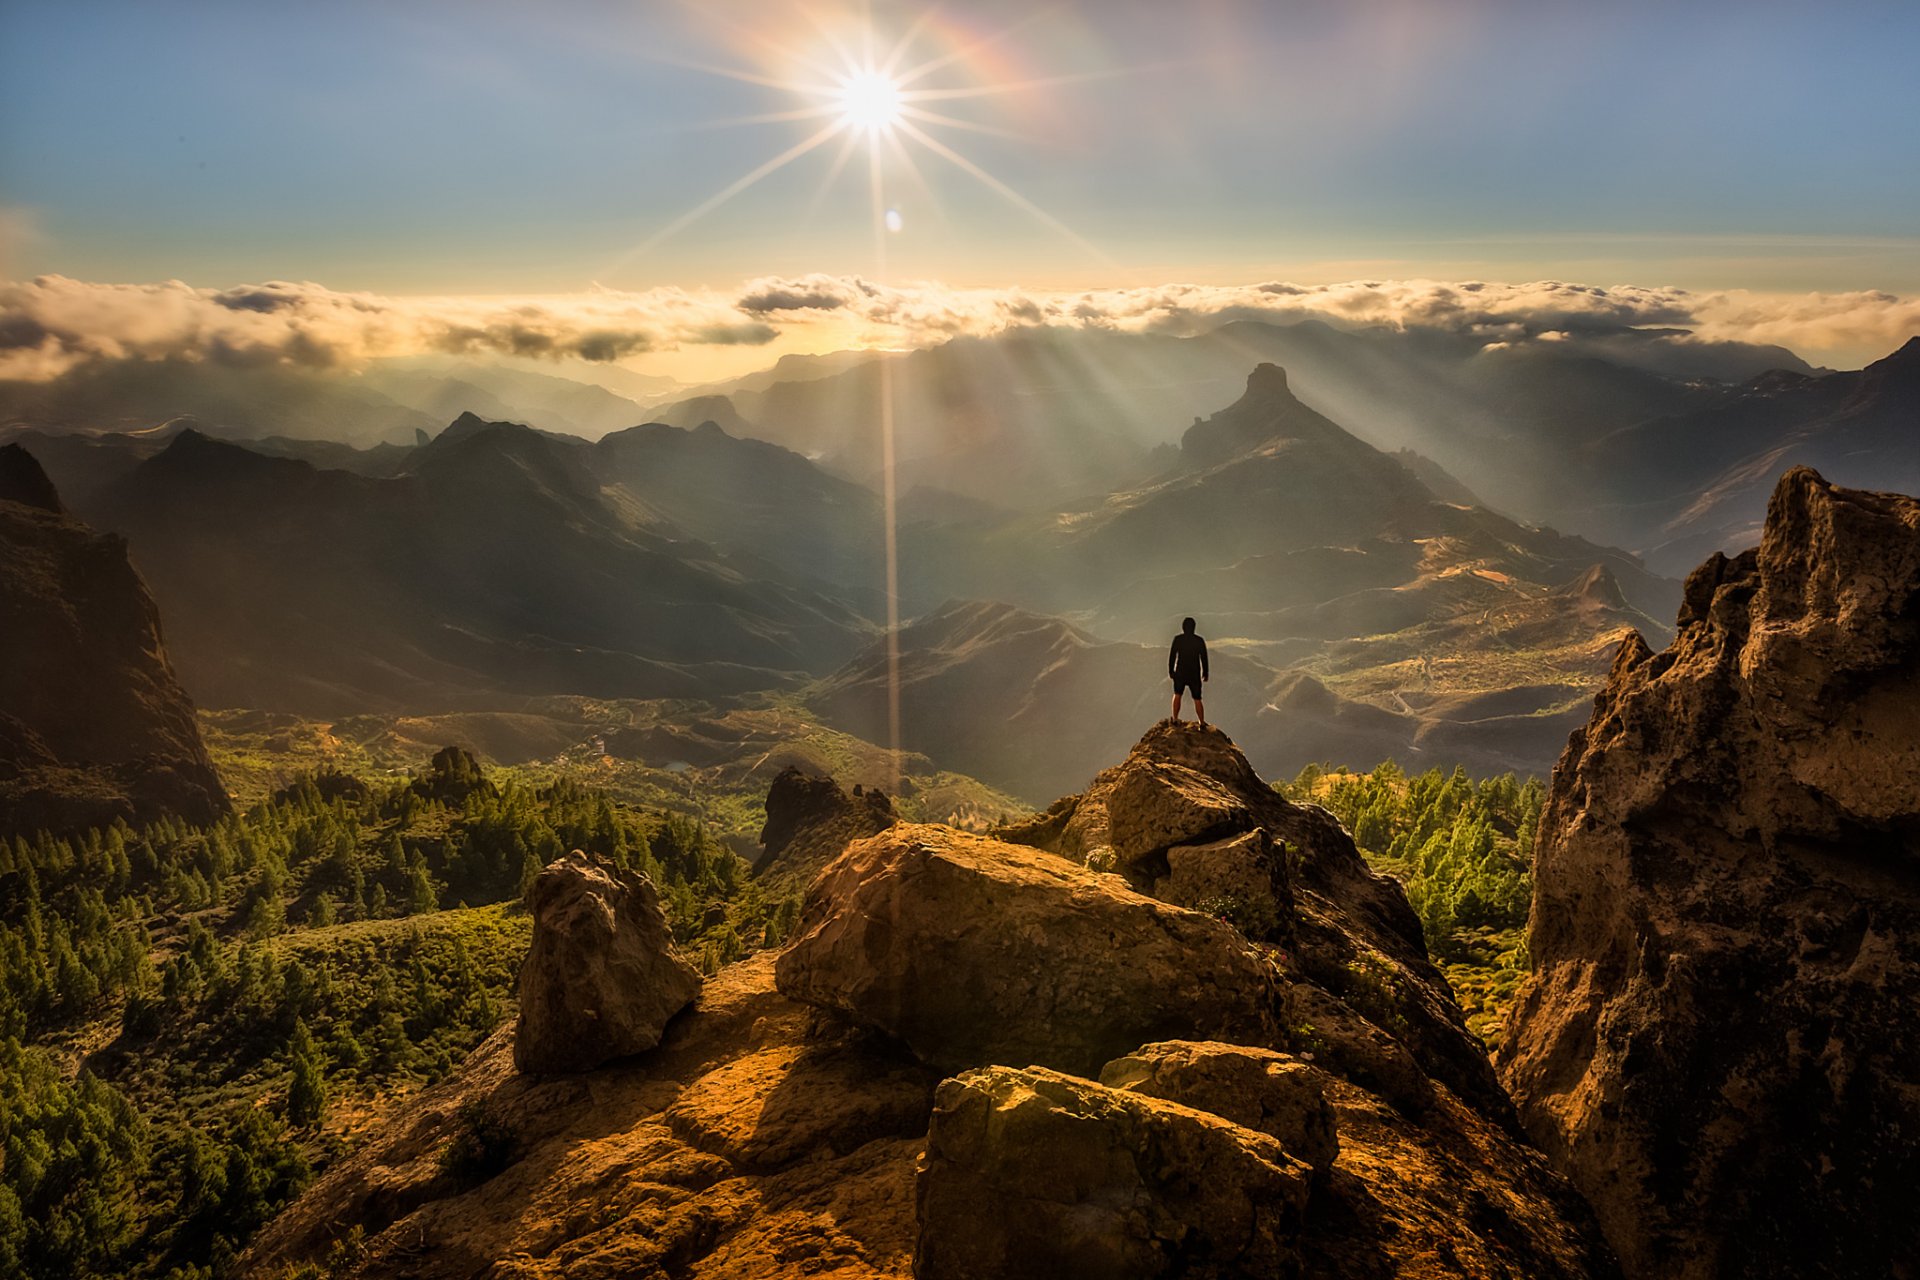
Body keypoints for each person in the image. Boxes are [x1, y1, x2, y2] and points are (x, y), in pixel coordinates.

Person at [1168, 616, 1209, 724]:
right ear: (1194, 628)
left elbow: (1172, 656)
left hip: (1180, 672)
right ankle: (1201, 722)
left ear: (1183, 627)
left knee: (1177, 694)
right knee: (1197, 698)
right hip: (1194, 673)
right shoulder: (1199, 641)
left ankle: (1175, 719)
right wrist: (1205, 673)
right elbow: (1204, 658)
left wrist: (1171, 671)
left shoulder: (1178, 639)